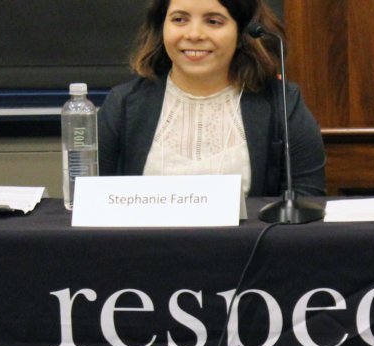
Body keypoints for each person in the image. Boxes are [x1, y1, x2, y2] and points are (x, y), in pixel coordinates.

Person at [99, 0, 326, 202]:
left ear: (242, 31)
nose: (194, 34)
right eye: (179, 19)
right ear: (162, 27)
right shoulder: (123, 105)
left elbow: (307, 203)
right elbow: (92, 204)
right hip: (145, 249)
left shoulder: (283, 104)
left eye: (214, 21)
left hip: (247, 249)